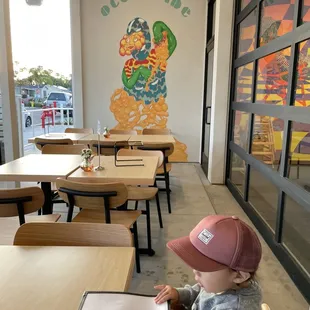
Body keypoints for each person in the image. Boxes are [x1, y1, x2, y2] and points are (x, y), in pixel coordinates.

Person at [154, 215, 263, 310]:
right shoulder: (221, 284)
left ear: (239, 275)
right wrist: (178, 295)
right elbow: (199, 291)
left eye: (204, 267)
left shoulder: (234, 307)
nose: (195, 270)